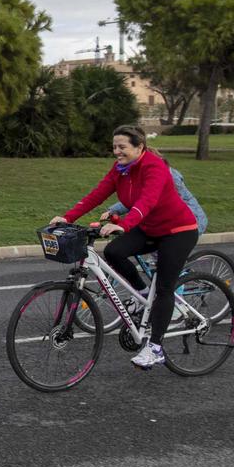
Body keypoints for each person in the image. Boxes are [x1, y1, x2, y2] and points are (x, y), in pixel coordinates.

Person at [56, 124, 201, 369]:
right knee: (114, 251)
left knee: (165, 288)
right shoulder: (121, 169)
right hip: (150, 229)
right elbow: (97, 194)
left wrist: (124, 224)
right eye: (114, 146)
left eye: (122, 146)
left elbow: (148, 200)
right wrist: (67, 217)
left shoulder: (154, 167)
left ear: (139, 147)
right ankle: (142, 295)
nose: (117, 151)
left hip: (178, 231)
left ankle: (155, 348)